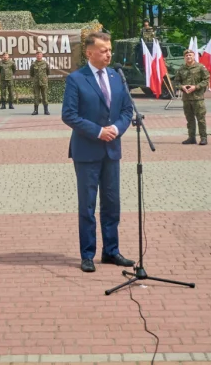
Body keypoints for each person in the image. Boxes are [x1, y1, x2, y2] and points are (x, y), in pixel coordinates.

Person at [61, 32, 135, 273]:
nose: (109, 54)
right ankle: (87, 254)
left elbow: (126, 111)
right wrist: (97, 131)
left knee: (112, 203)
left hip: (112, 149)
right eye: (104, 50)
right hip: (87, 151)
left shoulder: (117, 77)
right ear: (89, 53)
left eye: (110, 49)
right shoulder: (76, 79)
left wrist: (115, 128)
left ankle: (111, 251)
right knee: (88, 206)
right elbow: (69, 115)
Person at [173, 49, 210, 145]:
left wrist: (196, 87)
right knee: (189, 119)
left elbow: (206, 80)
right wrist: (182, 87)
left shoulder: (200, 67)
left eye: (190, 55)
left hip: (198, 98)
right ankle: (191, 137)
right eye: (187, 55)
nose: (188, 57)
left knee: (201, 119)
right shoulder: (181, 69)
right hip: (186, 98)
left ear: (194, 56)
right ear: (184, 57)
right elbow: (176, 82)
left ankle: (203, 138)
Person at [30, 50, 51, 115]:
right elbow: (31, 73)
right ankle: (36, 111)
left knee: (45, 96)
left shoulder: (45, 63)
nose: (38, 55)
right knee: (36, 96)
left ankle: (46, 110)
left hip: (44, 82)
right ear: (36, 56)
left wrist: (44, 78)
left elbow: (48, 72)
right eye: (37, 54)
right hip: (36, 82)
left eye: (40, 54)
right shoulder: (33, 64)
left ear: (42, 55)